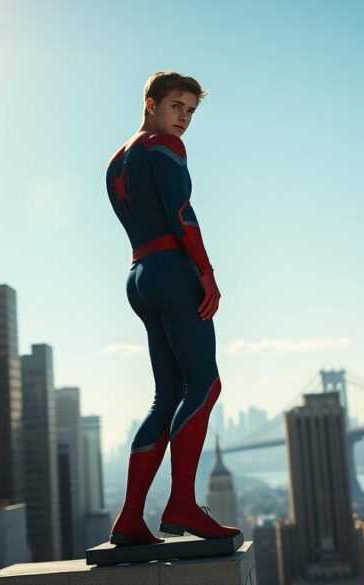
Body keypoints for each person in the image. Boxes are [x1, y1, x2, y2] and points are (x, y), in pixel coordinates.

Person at [104, 71, 241, 546]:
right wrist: (207, 272)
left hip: (138, 275)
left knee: (167, 396)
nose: (183, 118)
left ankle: (129, 519)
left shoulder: (116, 161)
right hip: (172, 270)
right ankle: (182, 501)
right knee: (206, 383)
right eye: (175, 106)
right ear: (151, 104)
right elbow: (181, 212)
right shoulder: (165, 146)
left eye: (190, 111)